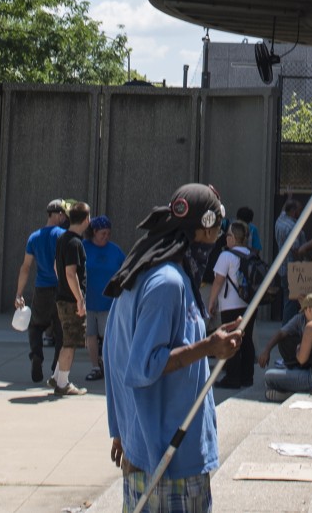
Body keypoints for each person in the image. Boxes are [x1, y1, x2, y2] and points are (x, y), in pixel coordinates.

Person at [103, 183, 243, 512]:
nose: (219, 239)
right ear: (202, 229)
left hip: (157, 447)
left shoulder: (149, 274)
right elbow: (143, 364)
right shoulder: (166, 283)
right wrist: (209, 346)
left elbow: (115, 352)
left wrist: (120, 430)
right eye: (216, 231)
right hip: (167, 456)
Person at [14, 199, 67, 383]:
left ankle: (36, 355)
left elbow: (26, 267)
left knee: (35, 326)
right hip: (60, 289)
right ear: (59, 214)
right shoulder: (64, 236)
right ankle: (56, 367)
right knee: (61, 330)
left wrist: (19, 294)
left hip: (42, 288)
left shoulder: (34, 237)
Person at [207, 220, 257, 389]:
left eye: (228, 235)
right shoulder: (251, 255)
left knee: (231, 339)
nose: (226, 238)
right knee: (247, 339)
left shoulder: (226, 255)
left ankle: (232, 378)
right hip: (250, 303)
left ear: (234, 238)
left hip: (230, 304)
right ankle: (247, 377)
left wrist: (211, 302)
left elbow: (218, 281)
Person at [51, 201, 91, 396]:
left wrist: (65, 288)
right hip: (71, 300)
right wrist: (79, 299)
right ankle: (63, 383)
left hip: (62, 297)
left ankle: (57, 376)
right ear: (86, 219)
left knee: (67, 338)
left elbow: (56, 268)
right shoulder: (75, 242)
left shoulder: (62, 239)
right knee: (71, 342)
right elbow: (70, 273)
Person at [83, 215, 125, 381]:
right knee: (90, 335)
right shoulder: (83, 247)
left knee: (108, 336)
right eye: (103, 233)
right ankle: (95, 366)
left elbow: (125, 269)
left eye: (108, 233)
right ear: (94, 232)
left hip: (109, 302)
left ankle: (109, 366)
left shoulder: (115, 250)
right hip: (88, 301)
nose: (106, 237)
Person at [274, 199, 306, 323]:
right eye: (299, 210)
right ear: (293, 211)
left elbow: (283, 210)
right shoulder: (292, 227)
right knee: (291, 301)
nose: (301, 213)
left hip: (282, 268)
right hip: (292, 269)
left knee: (288, 298)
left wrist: (289, 197)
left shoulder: (280, 220)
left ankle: (288, 327)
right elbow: (296, 249)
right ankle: (287, 328)